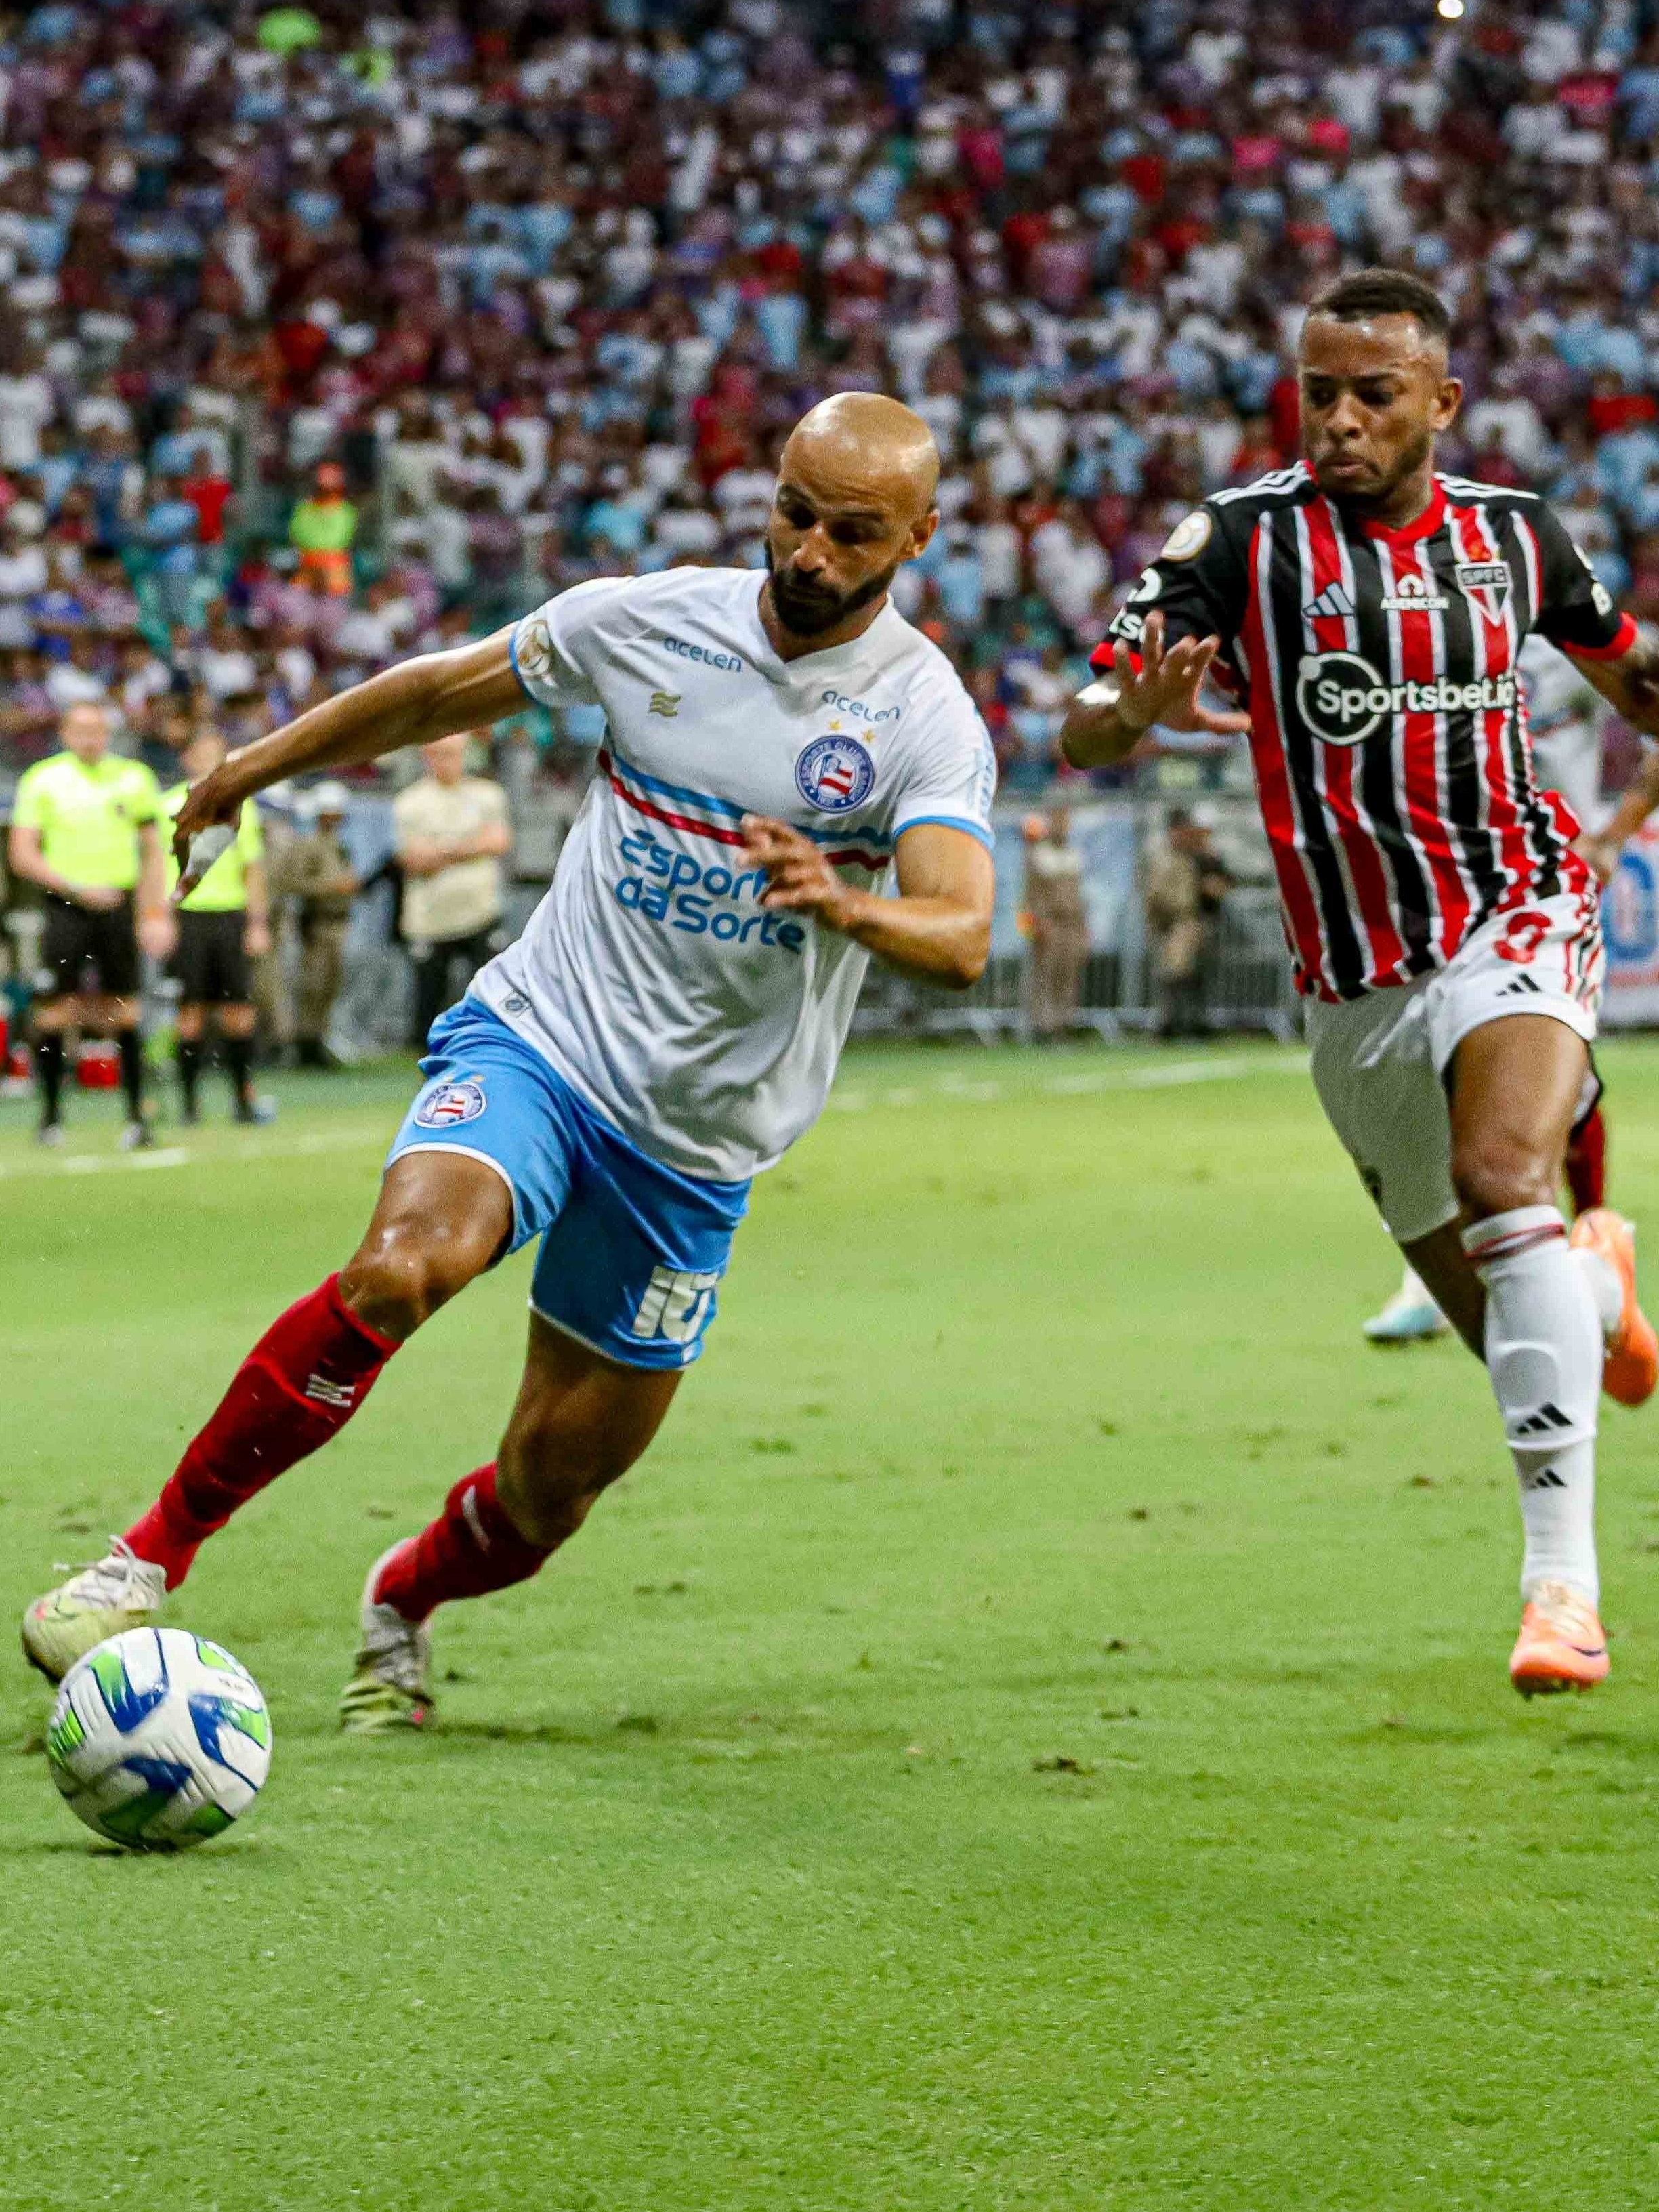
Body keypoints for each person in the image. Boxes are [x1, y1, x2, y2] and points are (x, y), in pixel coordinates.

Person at [22, 394, 997, 1738]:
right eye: (794, 511)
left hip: (698, 1148)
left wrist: (846, 902)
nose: (811, 551)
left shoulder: (922, 716)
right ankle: (143, 1560)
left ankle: (402, 1601)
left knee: (551, 1493)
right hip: (546, 1040)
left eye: (853, 531)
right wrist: (243, 771)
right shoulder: (646, 619)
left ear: (920, 537)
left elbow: (961, 935)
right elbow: (435, 689)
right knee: (403, 1263)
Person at [1059, 266, 1659, 1700]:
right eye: (1316, 390)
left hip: (1518, 905)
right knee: (1499, 1312)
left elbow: (1632, 676)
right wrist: (1123, 719)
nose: (1337, 418)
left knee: (1504, 1167)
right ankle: (1593, 1268)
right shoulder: (1241, 540)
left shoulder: (1517, 535)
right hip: (1355, 987)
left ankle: (1560, 1594)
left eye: (1372, 394)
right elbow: (1090, 717)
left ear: (1440, 404)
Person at [1365, 633, 1617, 1344]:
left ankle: (1591, 1236)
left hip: (1551, 882)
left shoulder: (1571, 640)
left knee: (1555, 1077)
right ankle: (1448, 1269)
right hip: (1454, 878)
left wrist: (1615, 831)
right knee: (1437, 1064)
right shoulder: (1436, 631)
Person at [5, 701, 173, 1146]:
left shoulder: (134, 778)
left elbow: (153, 852)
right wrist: (78, 888)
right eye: (80, 729)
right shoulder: (43, 779)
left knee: (124, 1010)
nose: (90, 737)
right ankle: (50, 1118)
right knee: (56, 1009)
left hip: (119, 906)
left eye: (98, 729)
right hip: (65, 907)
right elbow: (22, 854)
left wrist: (154, 912)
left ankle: (138, 1118)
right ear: (64, 732)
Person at [161, 727, 275, 1126]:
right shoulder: (168, 804)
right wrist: (162, 917)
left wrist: (257, 923)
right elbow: (157, 865)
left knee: (238, 1011)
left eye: (219, 755)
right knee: (189, 1012)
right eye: (203, 754)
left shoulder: (241, 805)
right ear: (187, 758)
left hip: (230, 916)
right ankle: (189, 1106)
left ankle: (243, 1101)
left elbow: (253, 869)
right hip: (187, 917)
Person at [392, 731, 513, 1047]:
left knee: (490, 988)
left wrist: (442, 849)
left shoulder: (487, 795)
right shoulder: (411, 801)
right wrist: (470, 846)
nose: (447, 761)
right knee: (429, 996)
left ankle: (489, 1048)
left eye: (453, 753)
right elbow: (414, 859)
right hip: (431, 917)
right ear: (428, 756)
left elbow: (499, 841)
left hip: (480, 910)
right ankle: (429, 1057)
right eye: (439, 753)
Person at [1143, 805, 1233, 1039]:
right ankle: (1169, 1023)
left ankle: (1192, 1021)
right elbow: (1153, 893)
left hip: (1192, 921)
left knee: (1194, 973)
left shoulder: (1195, 855)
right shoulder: (1161, 856)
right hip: (1170, 922)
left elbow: (1223, 878)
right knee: (1172, 974)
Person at [286, 784, 358, 1067]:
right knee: (313, 984)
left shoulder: (340, 846)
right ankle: (305, 1042)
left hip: (339, 921)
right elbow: (295, 884)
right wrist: (333, 887)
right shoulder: (309, 846)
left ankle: (319, 1037)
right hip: (317, 923)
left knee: (331, 984)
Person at [1022, 805, 1088, 1040]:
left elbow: (1079, 895)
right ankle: (1042, 1024)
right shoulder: (1038, 854)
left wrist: (1083, 928)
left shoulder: (1073, 854)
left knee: (1068, 972)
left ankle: (1064, 1023)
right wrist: (1035, 926)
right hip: (1048, 921)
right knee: (1045, 973)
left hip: (1071, 922)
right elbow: (1029, 896)